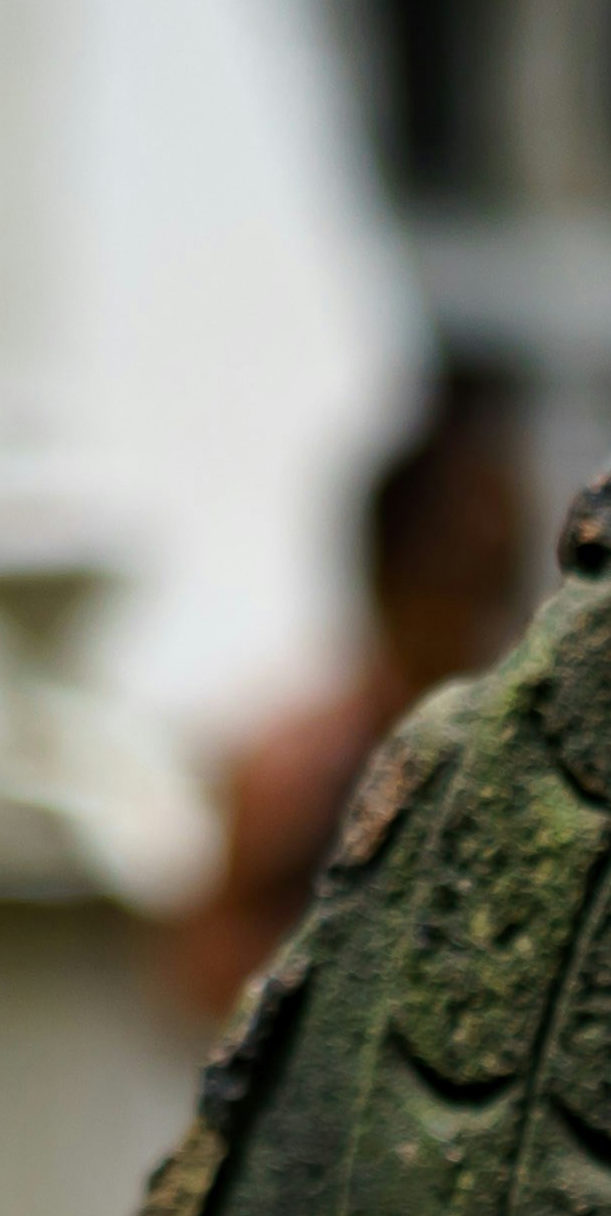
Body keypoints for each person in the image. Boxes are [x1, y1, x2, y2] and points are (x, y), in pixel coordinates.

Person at [163, 368, 545, 1036]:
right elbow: (204, 972)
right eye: (465, 585)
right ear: (389, 577)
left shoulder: (537, 758)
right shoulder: (298, 773)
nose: (491, 621)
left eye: (504, 583)